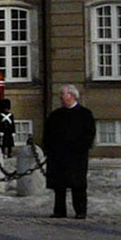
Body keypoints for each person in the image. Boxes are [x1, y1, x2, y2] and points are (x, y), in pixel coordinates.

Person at [43, 85, 96, 219]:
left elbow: (89, 134)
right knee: (59, 186)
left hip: (76, 156)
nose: (61, 97)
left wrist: (80, 148)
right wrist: (49, 149)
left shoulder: (85, 114)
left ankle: (80, 210)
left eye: (63, 94)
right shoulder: (55, 115)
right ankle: (59, 210)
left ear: (72, 96)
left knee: (78, 185)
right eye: (61, 95)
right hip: (58, 156)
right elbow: (47, 134)